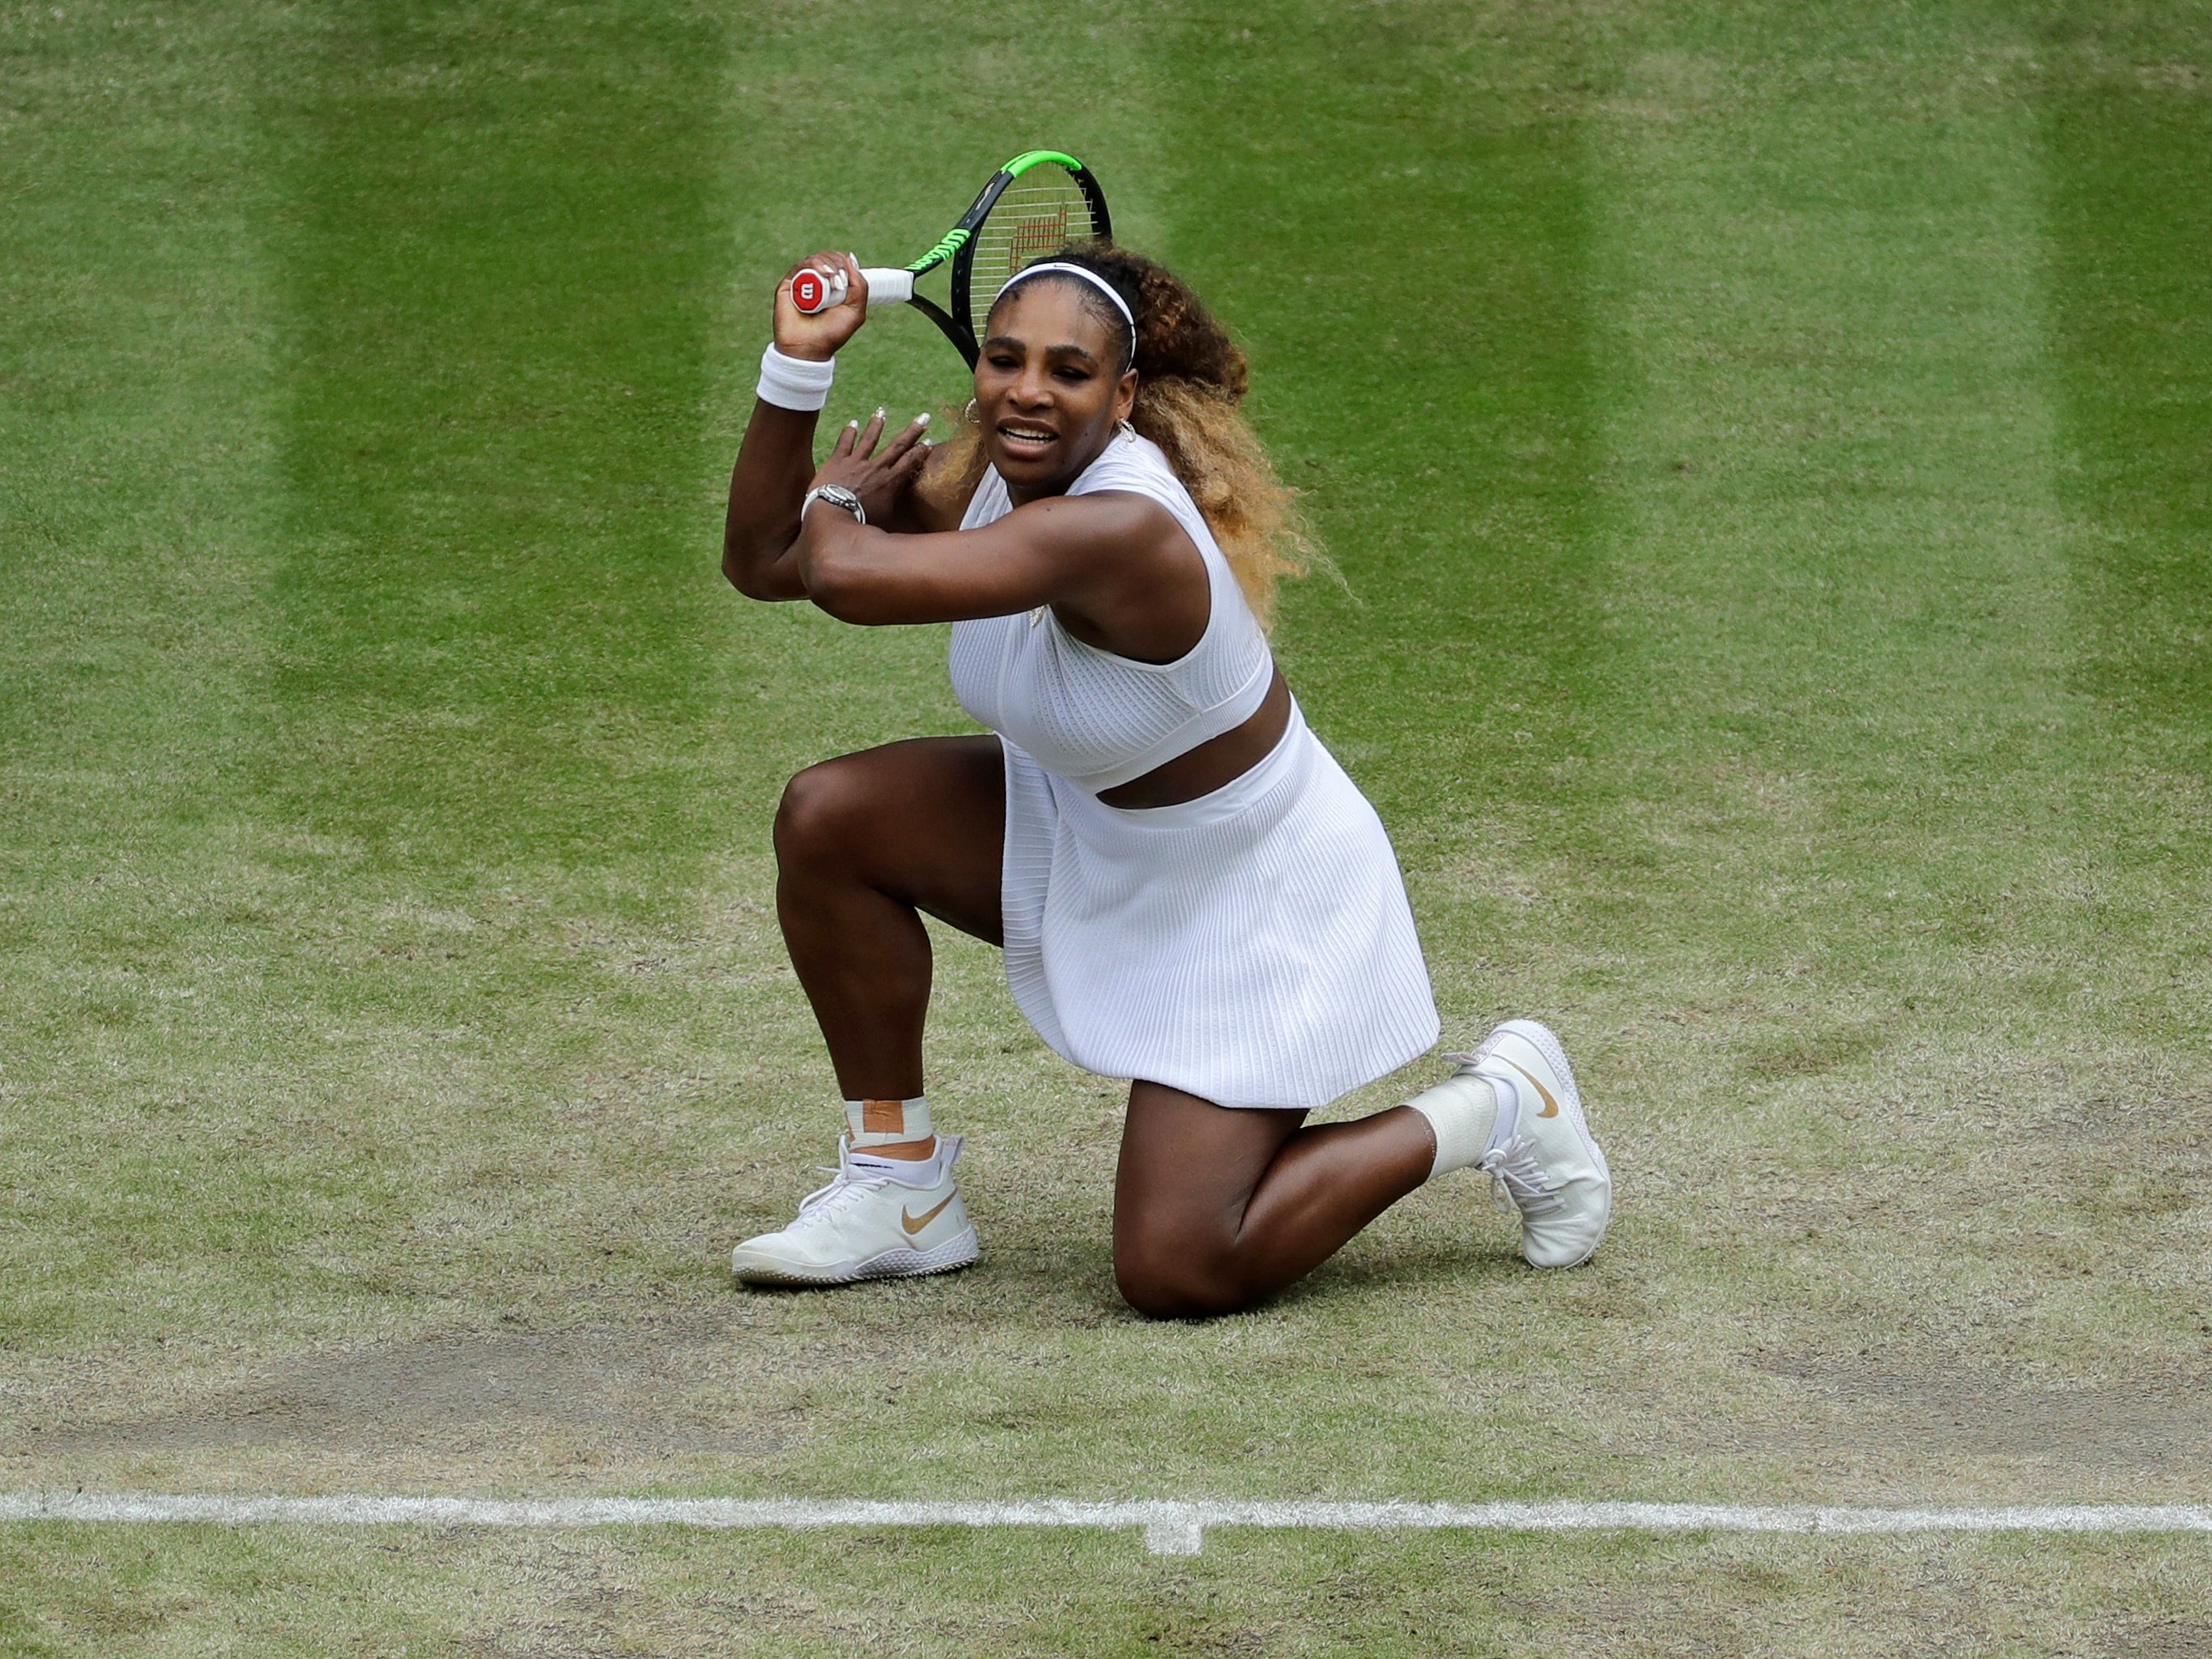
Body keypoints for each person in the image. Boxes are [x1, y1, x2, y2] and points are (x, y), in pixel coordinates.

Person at [718, 243, 1610, 1317]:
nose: (1027, 390)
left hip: (1251, 897)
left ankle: (1499, 1105)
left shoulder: (1124, 530)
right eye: (1004, 360)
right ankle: (899, 1189)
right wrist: (794, 369)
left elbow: (844, 574)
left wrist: (837, 500)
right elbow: (769, 560)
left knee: (1179, 1265)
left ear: (1126, 396)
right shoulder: (997, 477)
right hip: (1090, 825)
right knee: (832, 819)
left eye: (1068, 369)